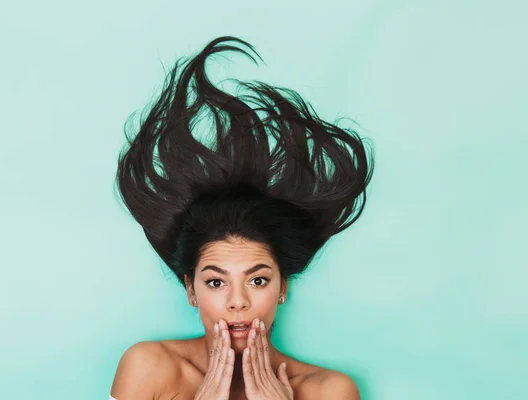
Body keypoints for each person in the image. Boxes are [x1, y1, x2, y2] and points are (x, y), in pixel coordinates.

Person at [110, 36, 374, 400]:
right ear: (190, 289)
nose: (238, 303)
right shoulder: (148, 367)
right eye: (216, 282)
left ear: (283, 288)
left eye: (259, 280)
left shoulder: (329, 390)